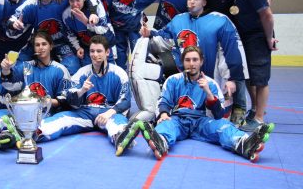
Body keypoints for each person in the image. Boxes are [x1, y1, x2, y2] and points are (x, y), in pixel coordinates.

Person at [116, 46, 274, 163]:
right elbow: (163, 101)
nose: (191, 63)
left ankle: (243, 143)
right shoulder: (173, 80)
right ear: (183, 62)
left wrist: (208, 92)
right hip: (179, 120)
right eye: (187, 60)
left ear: (201, 62)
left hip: (201, 121)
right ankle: (160, 141)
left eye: (195, 60)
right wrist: (164, 114)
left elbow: (219, 114)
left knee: (223, 126)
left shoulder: (210, 83)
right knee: (166, 126)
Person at [190, 0, 272, 127]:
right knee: (226, 71)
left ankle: (243, 109)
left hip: (237, 32)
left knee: (239, 69)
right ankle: (229, 105)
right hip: (214, 32)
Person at [0, 31, 72, 148]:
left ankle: (9, 137)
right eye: (37, 45)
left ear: (51, 46)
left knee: (38, 130)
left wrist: (45, 101)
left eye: (44, 44)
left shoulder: (60, 70)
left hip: (43, 114)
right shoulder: (25, 66)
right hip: (20, 110)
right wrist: (6, 70)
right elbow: (9, 85)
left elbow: (65, 100)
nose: (41, 47)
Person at [143, 0, 247, 108]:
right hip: (187, 81)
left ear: (204, 2)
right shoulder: (178, 20)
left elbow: (231, 51)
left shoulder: (220, 21)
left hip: (211, 81)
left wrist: (232, 79)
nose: (192, 2)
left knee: (214, 113)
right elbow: (165, 37)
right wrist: (149, 32)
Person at [37, 35, 132, 155]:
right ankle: (30, 134)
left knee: (118, 123)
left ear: (107, 52)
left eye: (99, 51)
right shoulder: (82, 73)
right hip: (85, 114)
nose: (95, 54)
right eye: (92, 51)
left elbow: (125, 100)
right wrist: (81, 91)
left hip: (108, 113)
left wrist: (109, 113)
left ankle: (122, 137)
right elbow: (69, 100)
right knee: (61, 118)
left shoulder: (119, 73)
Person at [226, 0, 278, 131]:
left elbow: (267, 16)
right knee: (249, 76)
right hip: (244, 35)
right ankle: (256, 108)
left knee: (261, 79)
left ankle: (259, 119)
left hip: (257, 36)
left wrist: (269, 38)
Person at [8, 0, 81, 75]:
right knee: (18, 68)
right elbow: (12, 20)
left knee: (73, 67)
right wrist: (13, 24)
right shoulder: (32, 3)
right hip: (39, 43)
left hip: (61, 42)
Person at [63, 0, 116, 66]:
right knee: (88, 70)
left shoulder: (97, 6)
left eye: (78, 0)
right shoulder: (66, 15)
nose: (75, 4)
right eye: (71, 1)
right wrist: (78, 48)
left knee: (109, 69)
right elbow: (70, 35)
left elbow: (105, 32)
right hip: (86, 47)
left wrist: (85, 21)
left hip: (105, 43)